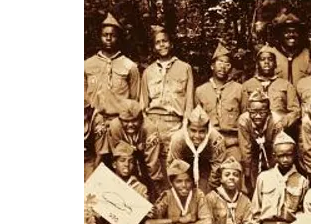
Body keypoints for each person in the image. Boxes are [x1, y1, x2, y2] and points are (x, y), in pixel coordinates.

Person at [83, 13, 141, 166]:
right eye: (105, 35)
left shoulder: (130, 66)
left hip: (120, 125)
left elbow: (134, 101)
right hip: (93, 125)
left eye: (113, 35)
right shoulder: (87, 65)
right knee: (95, 167)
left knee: (121, 167)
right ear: (99, 37)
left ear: (119, 38)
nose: (108, 38)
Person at [244, 132, 309, 224]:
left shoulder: (302, 181)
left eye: (289, 155)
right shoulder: (263, 178)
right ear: (274, 156)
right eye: (281, 156)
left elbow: (302, 212)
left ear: (294, 155)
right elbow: (255, 212)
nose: (285, 159)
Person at [141, 27, 195, 167]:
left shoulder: (185, 68)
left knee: (174, 166)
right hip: (152, 123)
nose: (161, 45)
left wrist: (184, 127)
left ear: (171, 44)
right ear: (154, 47)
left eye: (164, 41)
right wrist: (147, 127)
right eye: (157, 42)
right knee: (153, 165)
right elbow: (143, 104)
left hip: (175, 124)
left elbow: (189, 102)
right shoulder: (148, 72)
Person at [107, 99, 164, 199]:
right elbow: (117, 155)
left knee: (153, 186)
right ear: (120, 120)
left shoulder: (150, 128)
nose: (130, 125)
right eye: (126, 121)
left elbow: (152, 164)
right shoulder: (115, 126)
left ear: (141, 118)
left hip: (148, 157)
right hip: (128, 159)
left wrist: (157, 192)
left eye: (134, 121)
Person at [195, 42, 243, 161]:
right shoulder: (201, 90)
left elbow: (245, 118)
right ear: (212, 66)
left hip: (233, 143)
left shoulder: (239, 89)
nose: (223, 67)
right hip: (209, 143)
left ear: (230, 68)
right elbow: (197, 122)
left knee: (235, 168)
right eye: (220, 62)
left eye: (227, 64)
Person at [167, 105, 227, 194]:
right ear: (187, 128)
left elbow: (217, 168)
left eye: (202, 131)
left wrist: (210, 190)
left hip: (206, 168)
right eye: (193, 130)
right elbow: (174, 166)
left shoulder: (216, 140)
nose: (197, 136)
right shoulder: (178, 139)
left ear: (208, 130)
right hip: (185, 167)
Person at [205, 157, 256, 224]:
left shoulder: (244, 199)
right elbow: (206, 223)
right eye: (227, 175)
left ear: (240, 178)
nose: (231, 178)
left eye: (235, 175)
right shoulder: (211, 197)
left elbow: (250, 221)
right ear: (221, 179)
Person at [241, 45, 300, 132]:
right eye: (262, 59)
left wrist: (283, 122)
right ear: (257, 64)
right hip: (255, 131)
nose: (266, 62)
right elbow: (244, 113)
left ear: (275, 64)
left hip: (280, 129)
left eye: (270, 59)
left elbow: (295, 111)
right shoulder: (247, 85)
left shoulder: (286, 85)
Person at [110, 141, 152, 224]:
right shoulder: (105, 183)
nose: (127, 165)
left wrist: (146, 212)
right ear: (114, 164)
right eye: (122, 160)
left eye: (131, 161)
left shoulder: (140, 188)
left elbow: (141, 217)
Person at [237, 89, 280, 195]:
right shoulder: (243, 121)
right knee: (251, 180)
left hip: (271, 150)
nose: (257, 116)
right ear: (248, 111)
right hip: (253, 151)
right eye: (253, 112)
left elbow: (278, 148)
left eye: (262, 112)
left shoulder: (276, 122)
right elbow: (245, 148)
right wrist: (247, 173)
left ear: (269, 111)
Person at [271, 12, 311, 86]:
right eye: (287, 32)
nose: (291, 35)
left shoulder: (307, 54)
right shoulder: (271, 54)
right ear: (280, 34)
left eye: (295, 31)